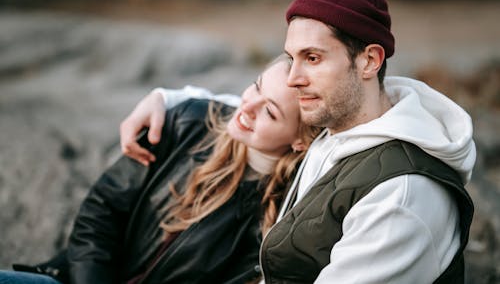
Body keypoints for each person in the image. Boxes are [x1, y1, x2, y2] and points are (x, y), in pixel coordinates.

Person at [120, 0, 476, 283]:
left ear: (369, 60)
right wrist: (167, 99)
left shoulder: (401, 196)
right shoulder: (342, 123)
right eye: (292, 58)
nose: (293, 79)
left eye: (313, 58)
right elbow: (253, 110)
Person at [1, 56, 320, 284]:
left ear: (300, 142)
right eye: (255, 87)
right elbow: (101, 212)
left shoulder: (280, 213)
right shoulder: (187, 121)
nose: (246, 107)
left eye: (270, 111)